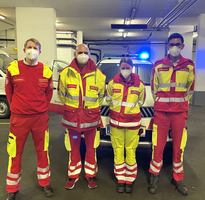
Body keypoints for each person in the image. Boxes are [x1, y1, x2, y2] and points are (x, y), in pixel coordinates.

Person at [5, 38, 54, 200]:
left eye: (35, 48)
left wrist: (39, 109)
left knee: (43, 151)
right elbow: (9, 93)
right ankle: (12, 188)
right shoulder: (13, 68)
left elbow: (48, 95)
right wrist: (17, 109)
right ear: (24, 49)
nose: (31, 50)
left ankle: (45, 183)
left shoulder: (46, 71)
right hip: (19, 119)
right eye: (29, 47)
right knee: (15, 153)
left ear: (40, 51)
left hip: (40, 119)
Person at [148, 33, 195, 196]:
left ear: (182, 46)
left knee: (178, 147)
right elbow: (154, 89)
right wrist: (163, 102)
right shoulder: (158, 65)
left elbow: (190, 89)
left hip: (179, 113)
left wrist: (180, 103)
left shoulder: (189, 65)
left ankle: (178, 178)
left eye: (177, 44)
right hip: (161, 113)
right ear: (167, 46)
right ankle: (154, 176)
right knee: (158, 146)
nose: (174, 47)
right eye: (171, 44)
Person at [57, 44, 106, 189]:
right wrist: (74, 109)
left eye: (86, 52)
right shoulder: (65, 74)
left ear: (89, 55)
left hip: (91, 121)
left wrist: (88, 110)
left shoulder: (99, 74)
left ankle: (91, 175)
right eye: (80, 52)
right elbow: (61, 95)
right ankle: (73, 175)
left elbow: (101, 96)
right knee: (74, 148)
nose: (83, 55)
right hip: (72, 121)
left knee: (91, 148)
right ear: (74, 54)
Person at [106, 58, 146, 193]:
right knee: (117, 150)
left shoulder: (139, 85)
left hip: (132, 124)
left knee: (130, 150)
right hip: (116, 123)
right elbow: (109, 100)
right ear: (119, 68)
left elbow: (141, 102)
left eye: (127, 67)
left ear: (132, 68)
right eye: (123, 67)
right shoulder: (112, 83)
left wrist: (129, 113)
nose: (125, 70)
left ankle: (129, 180)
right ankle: (120, 179)